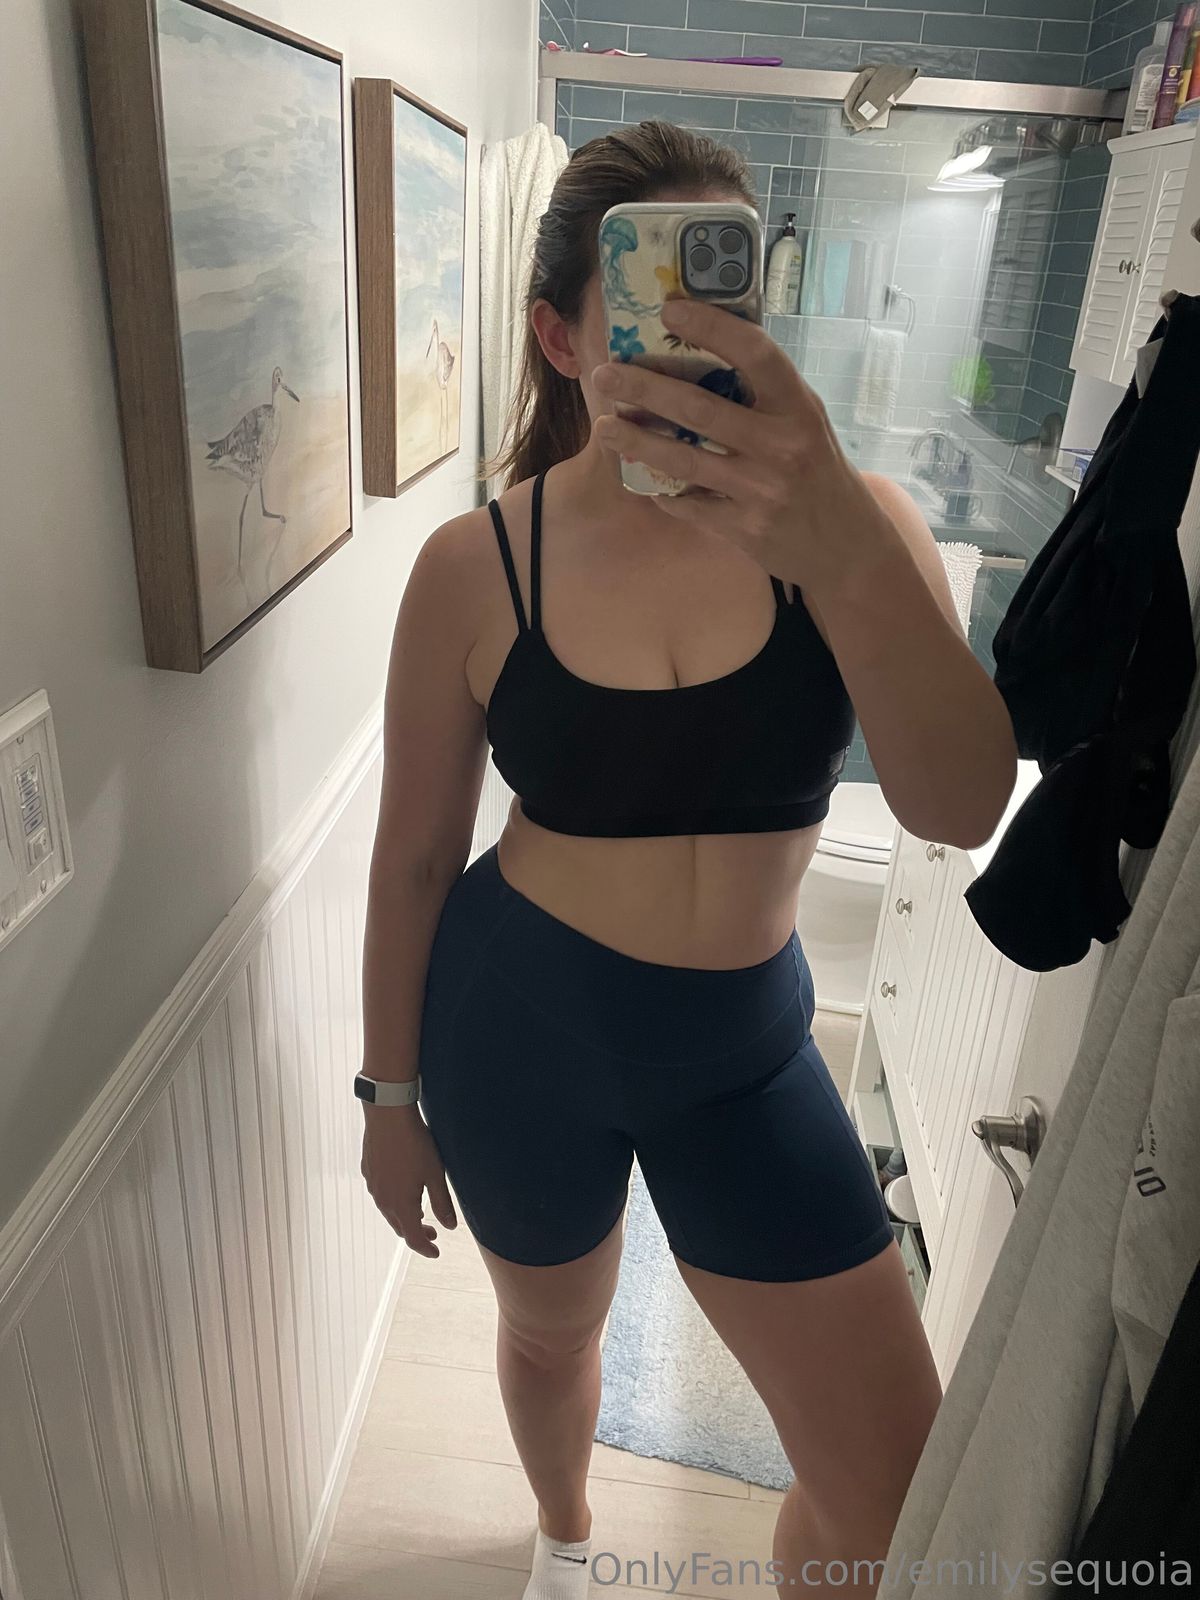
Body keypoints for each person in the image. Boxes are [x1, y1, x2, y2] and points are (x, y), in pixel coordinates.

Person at [358, 120, 1016, 1598]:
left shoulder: (860, 528)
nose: (698, 339)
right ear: (561, 336)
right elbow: (412, 858)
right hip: (519, 1031)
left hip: (744, 1057)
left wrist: (840, 543)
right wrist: (388, 1100)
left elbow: (960, 807)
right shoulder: (477, 565)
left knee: (894, 1500)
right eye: (654, 302)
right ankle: (563, 1538)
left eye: (726, 297)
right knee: (551, 1335)